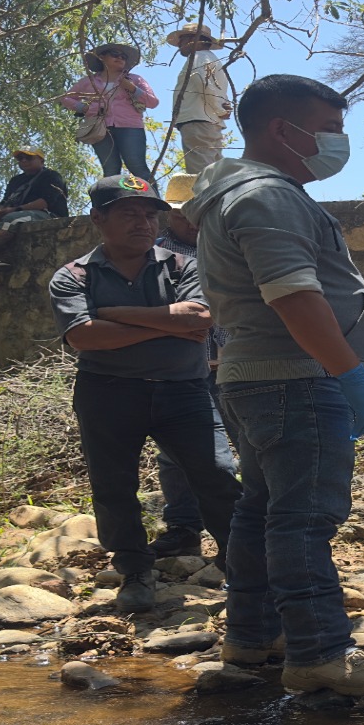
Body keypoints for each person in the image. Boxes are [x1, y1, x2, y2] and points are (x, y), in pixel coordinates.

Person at [180, 74, 364, 696]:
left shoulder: (241, 193)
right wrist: (350, 373)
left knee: (261, 512)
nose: (339, 144)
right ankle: (318, 653)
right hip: (294, 379)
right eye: (331, 131)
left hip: (253, 378)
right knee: (303, 518)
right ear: (285, 130)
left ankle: (255, 635)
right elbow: (294, 295)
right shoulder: (269, 196)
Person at [49, 173, 242, 613]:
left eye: (149, 214)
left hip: (184, 392)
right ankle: (135, 572)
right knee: (114, 485)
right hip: (109, 393)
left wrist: (115, 315)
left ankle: (240, 564)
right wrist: (166, 321)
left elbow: (200, 319)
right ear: (98, 218)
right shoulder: (74, 275)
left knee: (216, 474)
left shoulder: (184, 266)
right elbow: (83, 337)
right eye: (128, 213)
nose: (142, 223)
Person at [148, 173, 239, 559]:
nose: (190, 222)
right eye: (182, 214)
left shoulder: (229, 245)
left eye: (196, 212)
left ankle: (248, 528)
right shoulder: (153, 256)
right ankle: (184, 527)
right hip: (185, 371)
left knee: (252, 448)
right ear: (169, 214)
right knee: (176, 456)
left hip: (237, 366)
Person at [62, 42, 161, 179]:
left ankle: (153, 200)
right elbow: (66, 98)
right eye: (115, 54)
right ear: (102, 57)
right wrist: (85, 108)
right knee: (110, 169)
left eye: (123, 56)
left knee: (137, 166)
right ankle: (113, 200)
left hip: (130, 127)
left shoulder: (135, 79)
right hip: (100, 128)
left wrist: (132, 88)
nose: (120, 58)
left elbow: (153, 102)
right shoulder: (89, 81)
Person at [0, 148, 70, 271]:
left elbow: (44, 203)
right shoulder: (16, 181)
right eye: (20, 158)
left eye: (28, 157)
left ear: (41, 160)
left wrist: (14, 210)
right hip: (19, 213)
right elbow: (5, 201)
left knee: (10, 219)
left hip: (48, 214)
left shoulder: (51, 176)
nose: (23, 161)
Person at [167, 24, 236, 174]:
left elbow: (204, 84)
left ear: (196, 39)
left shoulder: (197, 57)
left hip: (197, 121)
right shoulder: (212, 59)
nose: (179, 44)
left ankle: (205, 198)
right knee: (214, 172)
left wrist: (219, 109)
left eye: (183, 39)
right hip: (211, 122)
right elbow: (217, 89)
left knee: (200, 174)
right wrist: (221, 109)